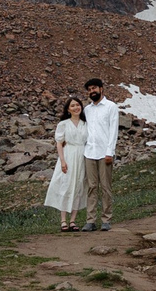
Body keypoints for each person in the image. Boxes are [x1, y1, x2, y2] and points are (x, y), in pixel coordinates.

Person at [80, 77, 121, 231]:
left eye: (94, 88)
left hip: (105, 153)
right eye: (89, 90)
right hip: (89, 152)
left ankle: (106, 219)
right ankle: (90, 220)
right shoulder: (87, 109)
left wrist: (110, 152)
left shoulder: (111, 107)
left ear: (101, 89)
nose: (92, 91)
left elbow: (113, 131)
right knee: (91, 186)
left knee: (105, 187)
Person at [42, 94, 87, 231]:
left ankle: (73, 220)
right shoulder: (63, 124)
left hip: (82, 155)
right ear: (68, 109)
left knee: (79, 186)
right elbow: (59, 143)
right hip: (68, 155)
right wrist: (62, 161)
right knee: (66, 185)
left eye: (78, 105)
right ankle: (63, 221)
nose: (76, 107)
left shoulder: (86, 124)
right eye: (72, 105)